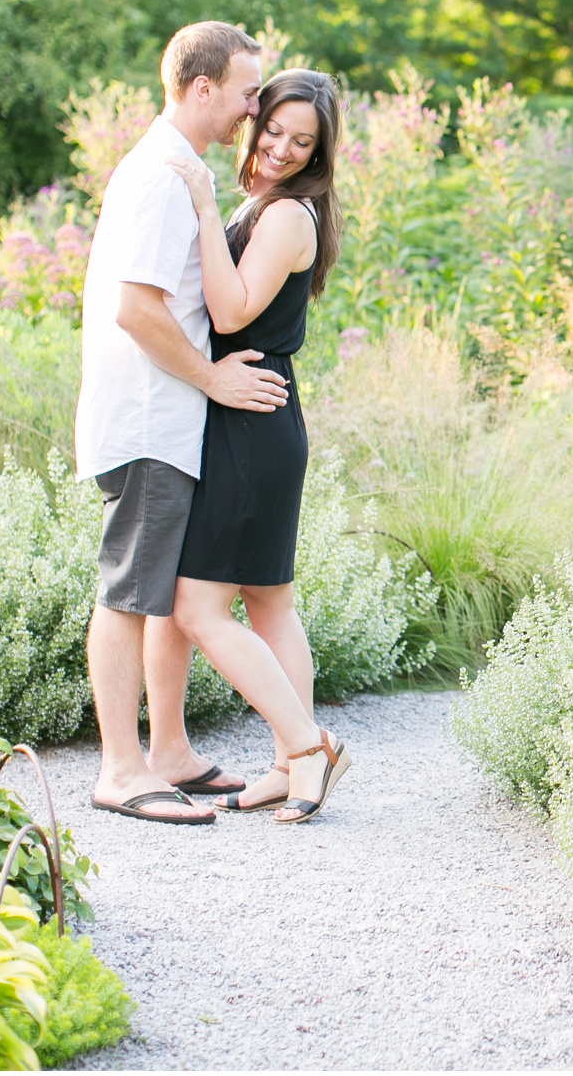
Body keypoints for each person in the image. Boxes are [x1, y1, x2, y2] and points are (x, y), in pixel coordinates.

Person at [77, 21, 282, 825]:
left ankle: (168, 751)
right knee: (128, 594)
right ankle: (121, 770)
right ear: (203, 88)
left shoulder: (175, 169)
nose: (252, 108)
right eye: (245, 91)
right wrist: (213, 381)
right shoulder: (162, 176)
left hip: (165, 420)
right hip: (149, 418)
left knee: (158, 595)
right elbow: (136, 309)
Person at [153, 68, 352, 824]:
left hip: (251, 417)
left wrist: (204, 204)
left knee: (197, 607)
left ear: (319, 152)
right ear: (256, 116)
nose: (281, 148)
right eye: (274, 130)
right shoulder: (267, 205)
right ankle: (285, 760)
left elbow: (233, 308)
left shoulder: (290, 216)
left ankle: (308, 746)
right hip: (254, 414)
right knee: (269, 604)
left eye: (302, 142)